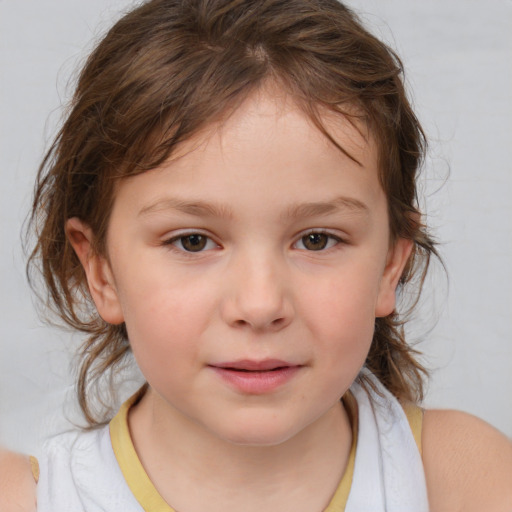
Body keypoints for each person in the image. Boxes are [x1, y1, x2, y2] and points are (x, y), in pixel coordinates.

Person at [1, 0, 511, 510]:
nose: (261, 304)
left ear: (388, 266)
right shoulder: (28, 497)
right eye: (192, 241)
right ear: (101, 270)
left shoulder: (462, 478)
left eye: (317, 239)